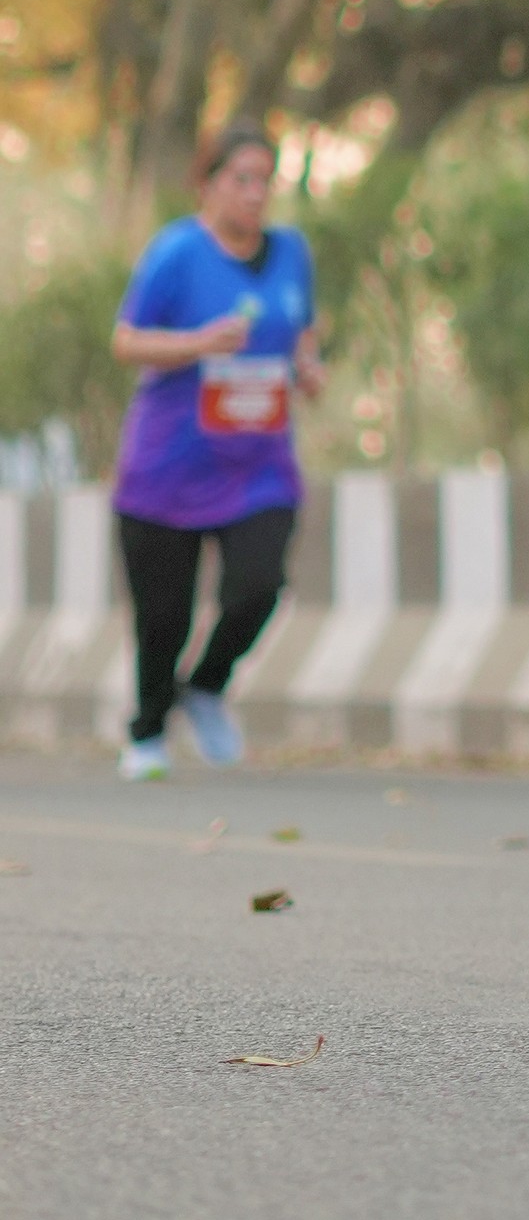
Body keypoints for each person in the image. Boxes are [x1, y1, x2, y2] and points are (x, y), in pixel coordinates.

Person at [108, 120, 322, 779]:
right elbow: (126, 341)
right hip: (168, 468)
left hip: (259, 467)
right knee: (163, 617)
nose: (255, 193)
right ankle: (148, 733)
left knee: (260, 585)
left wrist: (308, 367)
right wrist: (197, 344)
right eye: (241, 179)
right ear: (207, 184)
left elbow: (302, 328)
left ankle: (206, 687)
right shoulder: (176, 252)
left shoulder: (292, 253)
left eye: (265, 181)